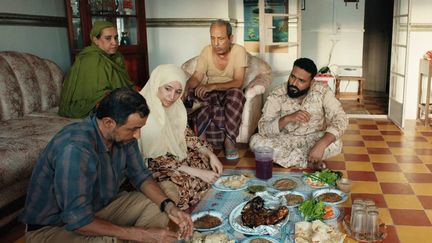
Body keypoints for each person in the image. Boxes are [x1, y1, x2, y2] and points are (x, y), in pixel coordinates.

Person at [20, 88, 193, 243]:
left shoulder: (122, 135)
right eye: (133, 129)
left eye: (140, 128)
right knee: (106, 241)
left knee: (167, 194)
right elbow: (77, 220)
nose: (138, 135)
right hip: (56, 227)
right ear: (109, 122)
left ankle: (130, 236)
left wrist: (171, 208)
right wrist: (143, 234)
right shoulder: (76, 149)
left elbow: (140, 176)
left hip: (99, 210)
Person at [139, 64, 223, 210]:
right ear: (157, 84)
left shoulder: (176, 107)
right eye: (167, 89)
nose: (172, 97)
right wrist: (198, 172)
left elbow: (187, 136)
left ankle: (198, 180)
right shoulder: (144, 110)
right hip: (153, 165)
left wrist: (211, 155)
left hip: (174, 156)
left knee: (203, 157)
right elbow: (155, 159)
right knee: (180, 182)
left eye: (178, 92)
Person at [249, 58, 348, 169]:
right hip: (285, 139)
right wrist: (287, 119)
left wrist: (322, 144)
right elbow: (263, 128)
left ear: (311, 81)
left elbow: (340, 118)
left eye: (301, 81)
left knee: (336, 142)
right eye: (292, 77)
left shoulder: (323, 91)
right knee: (256, 142)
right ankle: (309, 162)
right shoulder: (277, 94)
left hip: (314, 139)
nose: (294, 83)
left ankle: (294, 159)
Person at [184, 19, 248, 160]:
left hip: (230, 90)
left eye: (221, 38)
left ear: (230, 38)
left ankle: (230, 141)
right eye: (212, 38)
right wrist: (185, 87)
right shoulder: (206, 51)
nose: (216, 43)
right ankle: (202, 142)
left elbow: (238, 82)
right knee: (194, 95)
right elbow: (197, 77)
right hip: (210, 92)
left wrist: (213, 85)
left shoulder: (239, 51)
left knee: (237, 95)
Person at [58, 20, 133, 118]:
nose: (114, 43)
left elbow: (125, 84)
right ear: (95, 40)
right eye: (108, 38)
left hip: (115, 98)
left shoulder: (116, 57)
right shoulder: (91, 59)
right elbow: (99, 96)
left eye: (116, 37)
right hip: (92, 106)